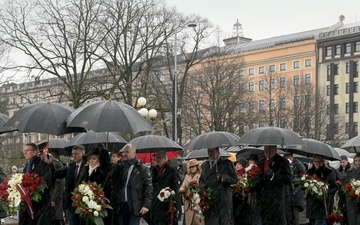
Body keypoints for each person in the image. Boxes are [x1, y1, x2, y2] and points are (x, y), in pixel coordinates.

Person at [111, 144, 153, 225]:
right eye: (123, 152)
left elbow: (148, 187)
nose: (124, 154)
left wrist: (146, 205)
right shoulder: (120, 167)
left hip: (135, 206)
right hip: (121, 206)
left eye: (127, 152)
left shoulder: (142, 168)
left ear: (134, 153)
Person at [253, 145, 292, 225]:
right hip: (263, 200)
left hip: (276, 200)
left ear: (274, 149)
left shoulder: (283, 162)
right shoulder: (261, 162)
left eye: (268, 149)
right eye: (265, 149)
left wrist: (274, 175)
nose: (266, 151)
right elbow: (259, 178)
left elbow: (287, 179)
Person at [199, 147, 237, 225]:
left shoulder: (226, 163)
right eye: (208, 150)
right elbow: (201, 180)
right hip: (210, 202)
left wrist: (222, 177)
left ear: (217, 150)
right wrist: (203, 189)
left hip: (223, 200)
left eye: (212, 150)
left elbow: (234, 179)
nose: (210, 152)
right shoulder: (204, 166)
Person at [19, 143, 52, 225]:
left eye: (27, 150)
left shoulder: (43, 166)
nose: (25, 153)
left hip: (40, 206)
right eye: (24, 151)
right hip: (27, 207)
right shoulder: (26, 166)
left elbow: (47, 184)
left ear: (34, 152)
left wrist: (32, 191)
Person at [149, 150, 181, 225]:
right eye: (156, 157)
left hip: (167, 206)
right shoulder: (153, 171)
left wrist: (174, 201)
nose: (157, 159)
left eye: (159, 157)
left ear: (165, 159)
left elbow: (176, 187)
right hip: (155, 205)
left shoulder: (171, 170)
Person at [306, 155, 338, 225]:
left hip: (322, 204)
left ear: (322, 162)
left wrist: (325, 192)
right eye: (316, 161)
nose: (317, 163)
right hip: (311, 204)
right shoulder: (310, 172)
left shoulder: (329, 172)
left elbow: (334, 187)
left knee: (320, 221)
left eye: (320, 161)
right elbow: (305, 186)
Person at [64, 145, 86, 225]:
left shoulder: (86, 166)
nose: (74, 156)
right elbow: (58, 173)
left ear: (83, 153)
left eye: (76, 154)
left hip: (83, 202)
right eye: (73, 154)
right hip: (71, 201)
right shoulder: (71, 166)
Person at [284, 152, 306, 225]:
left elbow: (303, 176)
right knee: (287, 215)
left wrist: (295, 180)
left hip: (295, 194)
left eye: (288, 156)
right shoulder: (284, 165)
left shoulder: (298, 164)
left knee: (295, 214)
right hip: (287, 193)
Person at [179, 159, 204, 225]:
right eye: (190, 167)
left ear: (197, 167)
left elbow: (202, 187)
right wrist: (183, 191)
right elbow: (182, 187)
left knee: (199, 222)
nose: (191, 169)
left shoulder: (200, 175)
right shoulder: (187, 176)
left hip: (197, 203)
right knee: (188, 222)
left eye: (193, 167)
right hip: (188, 204)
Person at [233, 156, 252, 225]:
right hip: (235, 198)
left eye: (239, 164)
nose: (237, 166)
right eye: (236, 164)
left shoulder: (245, 174)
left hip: (243, 200)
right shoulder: (234, 174)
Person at [345, 153, 360, 225]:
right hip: (352, 200)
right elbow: (346, 185)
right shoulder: (350, 171)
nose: (358, 163)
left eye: (359, 161)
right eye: (356, 161)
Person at [338, 155, 351, 223]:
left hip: (348, 192)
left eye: (343, 162)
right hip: (340, 192)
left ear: (347, 161)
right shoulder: (338, 170)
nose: (342, 164)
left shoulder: (350, 170)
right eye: (341, 162)